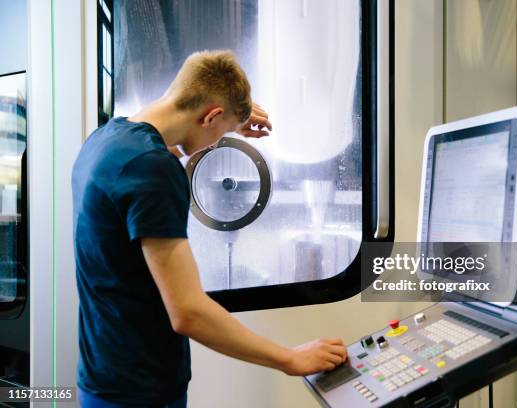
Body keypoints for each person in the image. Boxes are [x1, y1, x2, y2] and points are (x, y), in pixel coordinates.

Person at [72, 50, 348, 407]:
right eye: (223, 132)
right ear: (210, 115)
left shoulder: (107, 140)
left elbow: (158, 154)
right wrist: (290, 359)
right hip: (139, 390)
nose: (218, 143)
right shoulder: (152, 169)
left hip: (103, 373)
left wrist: (230, 117)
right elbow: (188, 312)